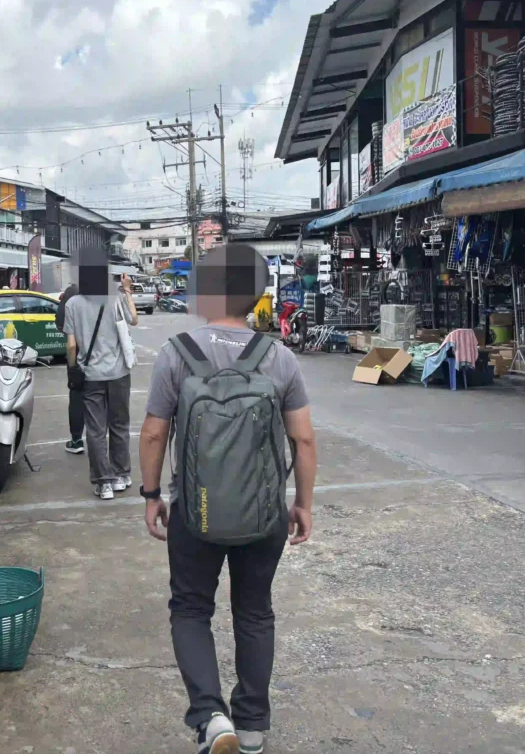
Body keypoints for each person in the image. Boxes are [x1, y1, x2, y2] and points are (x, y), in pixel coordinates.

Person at [138, 244, 317, 754]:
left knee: (191, 608)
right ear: (255, 295)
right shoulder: (278, 356)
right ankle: (254, 726)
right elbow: (303, 440)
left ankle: (211, 717)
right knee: (255, 611)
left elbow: (154, 435)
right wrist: (302, 503)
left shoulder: (177, 352)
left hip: (196, 513)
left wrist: (152, 495)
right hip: (264, 515)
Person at [62, 259, 138, 500]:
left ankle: (104, 483)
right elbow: (134, 320)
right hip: (119, 374)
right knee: (119, 425)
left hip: (91, 375)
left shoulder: (72, 303)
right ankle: (122, 475)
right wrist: (126, 290)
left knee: (95, 430)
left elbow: (72, 345)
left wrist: (74, 369)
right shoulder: (114, 297)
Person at [55, 283, 85, 454]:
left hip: (80, 358)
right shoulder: (107, 292)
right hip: (106, 360)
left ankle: (77, 440)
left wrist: (72, 367)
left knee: (77, 398)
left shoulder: (72, 292)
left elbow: (60, 323)